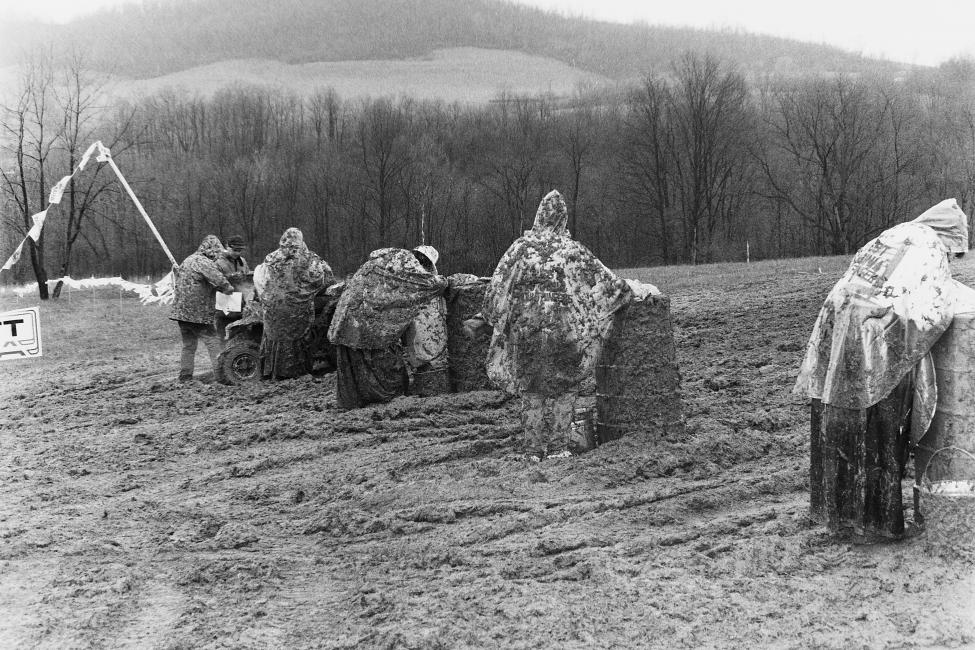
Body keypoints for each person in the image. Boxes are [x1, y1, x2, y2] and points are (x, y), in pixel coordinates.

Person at [794, 198, 969, 542]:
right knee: (881, 429)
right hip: (875, 340)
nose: (950, 259)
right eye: (954, 252)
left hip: (840, 324)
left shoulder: (898, 233)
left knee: (840, 420)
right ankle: (877, 525)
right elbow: (932, 311)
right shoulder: (930, 246)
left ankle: (836, 515)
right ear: (949, 236)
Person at [477, 189, 633, 457]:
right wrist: (630, 292)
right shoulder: (573, 250)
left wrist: (491, 320)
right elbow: (608, 285)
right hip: (564, 332)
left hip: (525, 334)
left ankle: (533, 451)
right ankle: (559, 449)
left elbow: (496, 289)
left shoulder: (520, 248)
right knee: (564, 387)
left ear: (538, 216)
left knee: (531, 390)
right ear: (563, 218)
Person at [328, 247, 448, 409]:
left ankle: (356, 403)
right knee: (390, 381)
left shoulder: (387, 261)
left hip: (345, 321)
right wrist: (446, 281)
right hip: (368, 326)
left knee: (353, 374)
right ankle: (381, 403)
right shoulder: (411, 271)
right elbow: (435, 285)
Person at [259, 227, 334, 379]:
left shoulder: (270, 258)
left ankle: (272, 372)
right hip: (298, 310)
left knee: (275, 339)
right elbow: (327, 277)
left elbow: (261, 279)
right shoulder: (310, 258)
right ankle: (297, 374)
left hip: (273, 308)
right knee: (299, 340)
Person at [170, 234, 235, 382]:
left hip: (181, 313)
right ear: (211, 250)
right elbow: (219, 280)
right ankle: (222, 375)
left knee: (189, 345)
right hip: (197, 313)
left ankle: (185, 376)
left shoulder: (188, 260)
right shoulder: (203, 262)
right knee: (213, 342)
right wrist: (230, 288)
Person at [403, 245, 450, 395]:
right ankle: (426, 381)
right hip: (418, 322)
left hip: (420, 321)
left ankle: (424, 376)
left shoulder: (406, 276)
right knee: (421, 349)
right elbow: (441, 283)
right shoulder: (424, 280)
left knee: (419, 349)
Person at [214, 234, 252, 342]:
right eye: (235, 250)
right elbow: (214, 282)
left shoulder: (242, 261)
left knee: (240, 337)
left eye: (240, 250)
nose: (237, 253)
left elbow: (247, 277)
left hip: (240, 303)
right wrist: (229, 279)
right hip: (224, 305)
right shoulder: (218, 262)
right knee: (224, 337)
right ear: (227, 247)